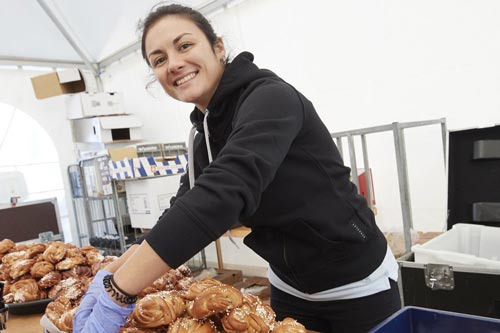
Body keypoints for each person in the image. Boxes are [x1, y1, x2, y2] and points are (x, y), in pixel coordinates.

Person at [73, 4, 401, 333]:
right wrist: (110, 273)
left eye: (184, 45)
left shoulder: (272, 99)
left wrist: (120, 292)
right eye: (159, 59)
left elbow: (224, 193)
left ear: (218, 47)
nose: (173, 63)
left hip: (356, 283)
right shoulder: (203, 134)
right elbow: (185, 206)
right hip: (289, 286)